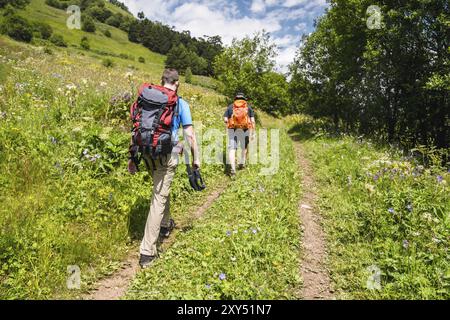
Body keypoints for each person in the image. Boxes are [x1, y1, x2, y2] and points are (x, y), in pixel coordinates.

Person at [128, 69, 200, 269]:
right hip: (167, 155)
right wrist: (196, 160)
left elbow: (135, 127)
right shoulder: (180, 102)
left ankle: (166, 224)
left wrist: (132, 157)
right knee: (158, 199)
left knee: (161, 189)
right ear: (176, 83)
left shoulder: (146, 98)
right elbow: (190, 136)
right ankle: (147, 252)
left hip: (146, 152)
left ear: (162, 81)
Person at [223, 93, 256, 177]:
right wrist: (253, 132)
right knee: (244, 147)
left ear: (235, 98)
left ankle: (233, 168)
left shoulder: (231, 107)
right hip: (245, 130)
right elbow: (252, 121)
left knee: (232, 148)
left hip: (232, 129)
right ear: (244, 99)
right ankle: (242, 162)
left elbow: (225, 119)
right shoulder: (247, 107)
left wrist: (227, 126)